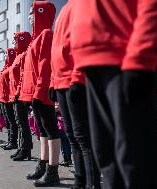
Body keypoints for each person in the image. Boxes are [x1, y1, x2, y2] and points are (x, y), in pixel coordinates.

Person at [69, 0, 157, 188]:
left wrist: (141, 55)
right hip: (91, 61)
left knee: (135, 161)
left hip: (125, 56)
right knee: (106, 157)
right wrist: (78, 73)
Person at [50, 1, 100, 188]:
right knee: (72, 135)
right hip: (62, 83)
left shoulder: (85, 4)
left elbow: (86, 40)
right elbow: (57, 49)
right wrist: (53, 82)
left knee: (84, 138)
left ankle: (92, 184)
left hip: (76, 81)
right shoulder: (65, 9)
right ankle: (80, 181)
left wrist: (79, 76)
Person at [19, 2, 60, 187]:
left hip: (42, 92)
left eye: (32, 12)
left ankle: (53, 170)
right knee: (42, 130)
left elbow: (45, 66)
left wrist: (38, 91)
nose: (30, 16)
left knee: (50, 130)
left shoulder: (46, 35)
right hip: (34, 93)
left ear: (40, 13)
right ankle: (43, 165)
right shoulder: (35, 40)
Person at [8, 31, 32, 160]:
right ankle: (21, 147)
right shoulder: (18, 56)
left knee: (23, 123)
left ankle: (26, 149)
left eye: (16, 40)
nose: (14, 43)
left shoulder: (24, 55)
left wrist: (17, 92)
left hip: (20, 95)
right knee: (19, 122)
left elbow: (23, 76)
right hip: (15, 95)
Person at [0, 48, 18, 150]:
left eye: (7, 54)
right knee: (7, 121)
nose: (5, 56)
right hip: (3, 98)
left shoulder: (12, 66)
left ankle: (13, 141)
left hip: (9, 98)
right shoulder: (5, 67)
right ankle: (10, 140)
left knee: (11, 121)